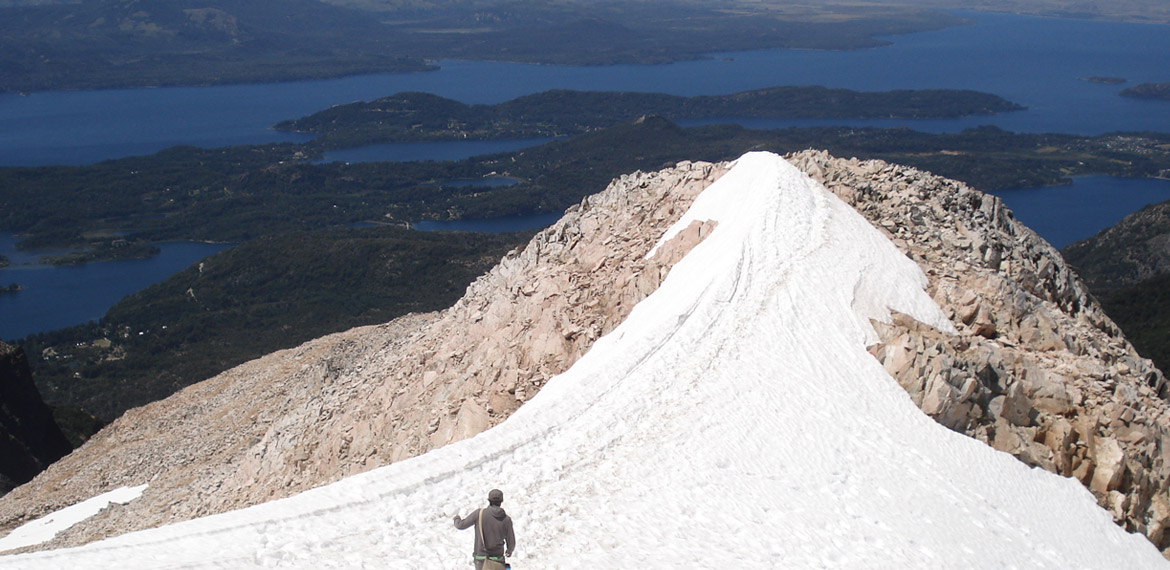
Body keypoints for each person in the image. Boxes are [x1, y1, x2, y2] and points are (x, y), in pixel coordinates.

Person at [453, 488, 515, 569]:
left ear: (489, 500)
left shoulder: (479, 514)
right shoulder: (506, 520)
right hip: (497, 560)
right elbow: (511, 541)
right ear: (501, 501)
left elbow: (460, 525)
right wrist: (509, 551)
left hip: (480, 559)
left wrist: (456, 519)